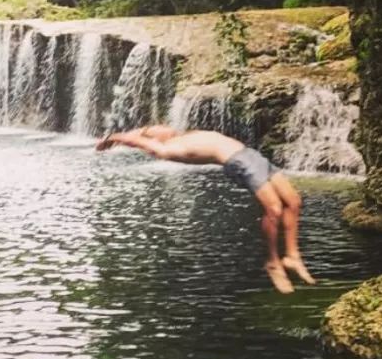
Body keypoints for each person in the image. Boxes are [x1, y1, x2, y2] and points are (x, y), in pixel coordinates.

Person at [96, 126, 314, 294]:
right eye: (154, 131)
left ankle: (292, 256)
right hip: (239, 162)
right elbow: (137, 139)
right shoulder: (166, 149)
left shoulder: (185, 136)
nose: (162, 127)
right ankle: (273, 262)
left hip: (252, 155)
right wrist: (115, 138)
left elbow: (144, 132)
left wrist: (139, 132)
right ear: (154, 139)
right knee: (274, 209)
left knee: (293, 201)